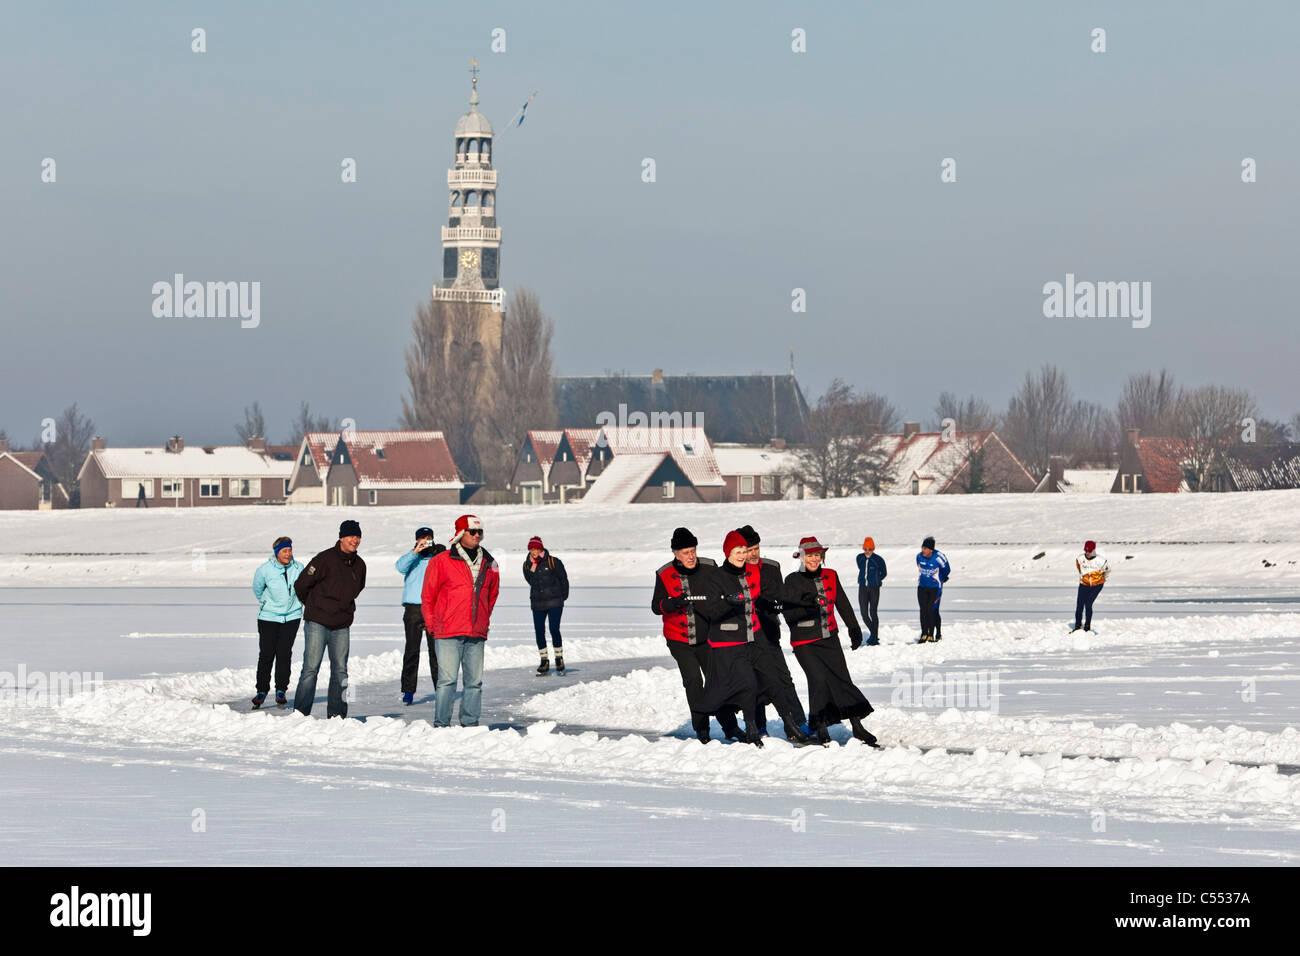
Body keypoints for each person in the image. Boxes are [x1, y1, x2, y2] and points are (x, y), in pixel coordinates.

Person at [781, 536, 879, 747]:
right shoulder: (792, 580)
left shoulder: (831, 575)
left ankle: (857, 726)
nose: (814, 559)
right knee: (818, 679)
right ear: (802, 557)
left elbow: (842, 603)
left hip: (829, 638)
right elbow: (789, 615)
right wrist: (809, 604)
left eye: (818, 555)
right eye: (810, 555)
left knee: (842, 678)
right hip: (804, 641)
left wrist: (853, 627)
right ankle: (820, 727)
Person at [651, 527, 742, 743]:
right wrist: (673, 603)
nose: (691, 556)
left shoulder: (710, 567)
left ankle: (730, 727)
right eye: (685, 552)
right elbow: (656, 606)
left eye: (693, 551)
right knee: (693, 680)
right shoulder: (664, 573)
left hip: (708, 637)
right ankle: (702, 729)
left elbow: (727, 588)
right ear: (675, 554)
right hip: (679, 640)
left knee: (717, 681)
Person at [693, 530, 773, 747]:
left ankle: (752, 730)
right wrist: (729, 601)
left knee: (749, 684)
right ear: (728, 553)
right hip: (723, 644)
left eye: (744, 551)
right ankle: (704, 719)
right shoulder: (715, 577)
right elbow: (711, 610)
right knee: (721, 691)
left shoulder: (746, 573)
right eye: (737, 551)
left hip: (745, 641)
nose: (742, 555)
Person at [422, 514, 500, 728]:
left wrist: (482, 618)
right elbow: (428, 596)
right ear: (460, 534)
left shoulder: (490, 562)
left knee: (474, 682)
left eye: (480, 532)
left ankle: (470, 722)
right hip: (448, 630)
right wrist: (432, 624)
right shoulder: (441, 561)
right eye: (473, 531)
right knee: (447, 681)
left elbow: (491, 595)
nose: (477, 535)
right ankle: (441, 724)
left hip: (476, 631)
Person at [738, 524, 810, 742]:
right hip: (747, 635)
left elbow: (781, 596)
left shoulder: (770, 567)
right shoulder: (735, 568)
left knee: (783, 678)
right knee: (755, 681)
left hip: (769, 632)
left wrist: (776, 606)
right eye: (749, 549)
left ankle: (798, 723)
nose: (753, 553)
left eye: (756, 548)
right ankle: (760, 726)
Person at [293, 520, 367, 718]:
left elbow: (357, 588)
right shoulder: (324, 559)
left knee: (341, 671)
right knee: (310, 669)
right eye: (351, 536)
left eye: (358, 536)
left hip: (342, 624)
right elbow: (301, 584)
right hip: (317, 621)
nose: (355, 540)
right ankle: (300, 714)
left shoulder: (360, 565)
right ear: (341, 538)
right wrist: (313, 605)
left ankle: (338, 716)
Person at [251, 536, 304, 709]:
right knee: (266, 654)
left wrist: (297, 605)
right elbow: (258, 589)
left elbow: (304, 588)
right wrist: (268, 604)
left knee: (284, 653)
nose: (288, 554)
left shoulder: (299, 568)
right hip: (268, 618)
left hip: (292, 617)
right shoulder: (265, 570)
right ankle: (261, 690)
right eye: (284, 551)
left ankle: (281, 689)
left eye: (290, 550)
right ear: (276, 553)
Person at [396, 526, 445, 704]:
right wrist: (415, 552)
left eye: (428, 538)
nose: (426, 542)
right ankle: (408, 690)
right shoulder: (412, 558)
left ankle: (441, 688)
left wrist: (441, 552)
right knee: (412, 650)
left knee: (436, 651)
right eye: (422, 539)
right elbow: (399, 567)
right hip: (413, 609)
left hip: (433, 608)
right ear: (416, 540)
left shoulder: (438, 558)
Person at [523, 535, 568, 675]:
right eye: (531, 549)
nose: (533, 551)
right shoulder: (527, 564)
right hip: (537, 603)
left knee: (554, 629)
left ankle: (559, 657)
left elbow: (563, 580)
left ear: (541, 548)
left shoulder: (553, 561)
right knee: (539, 631)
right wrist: (533, 566)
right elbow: (531, 581)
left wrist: (562, 597)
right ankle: (544, 660)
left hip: (555, 601)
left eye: (536, 548)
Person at [916, 535, 950, 643]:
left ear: (931, 550)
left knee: (932, 610)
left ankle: (935, 633)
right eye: (922, 547)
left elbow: (947, 570)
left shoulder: (939, 558)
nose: (923, 550)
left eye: (925, 548)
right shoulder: (919, 557)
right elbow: (919, 566)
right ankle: (924, 633)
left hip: (935, 588)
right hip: (922, 586)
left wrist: (942, 579)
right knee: (923, 610)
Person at [855, 536, 887, 646]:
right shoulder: (859, 558)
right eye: (865, 549)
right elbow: (860, 567)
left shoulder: (878, 559)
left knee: (873, 612)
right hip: (863, 588)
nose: (867, 551)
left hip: (874, 588)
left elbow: (884, 573)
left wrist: (876, 580)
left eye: (869, 549)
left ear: (873, 549)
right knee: (864, 613)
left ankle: (874, 637)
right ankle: (874, 635)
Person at [1072, 539, 1109, 633]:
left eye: (1089, 551)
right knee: (1079, 605)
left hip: (1096, 585)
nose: (1087, 553)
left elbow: (1107, 571)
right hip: (1084, 584)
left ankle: (1087, 627)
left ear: (1093, 550)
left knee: (1088, 604)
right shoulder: (1080, 559)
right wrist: (1084, 578)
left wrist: (1102, 580)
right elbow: (1079, 569)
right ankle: (1077, 626)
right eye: (1086, 550)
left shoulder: (1101, 561)